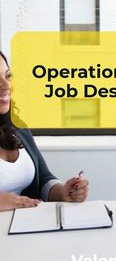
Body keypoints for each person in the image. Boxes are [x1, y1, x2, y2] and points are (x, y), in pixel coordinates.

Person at [0, 51, 88, 211]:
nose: (6, 86)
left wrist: (63, 192)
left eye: (7, 76)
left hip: (23, 227)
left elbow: (44, 179)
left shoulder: (18, 127)